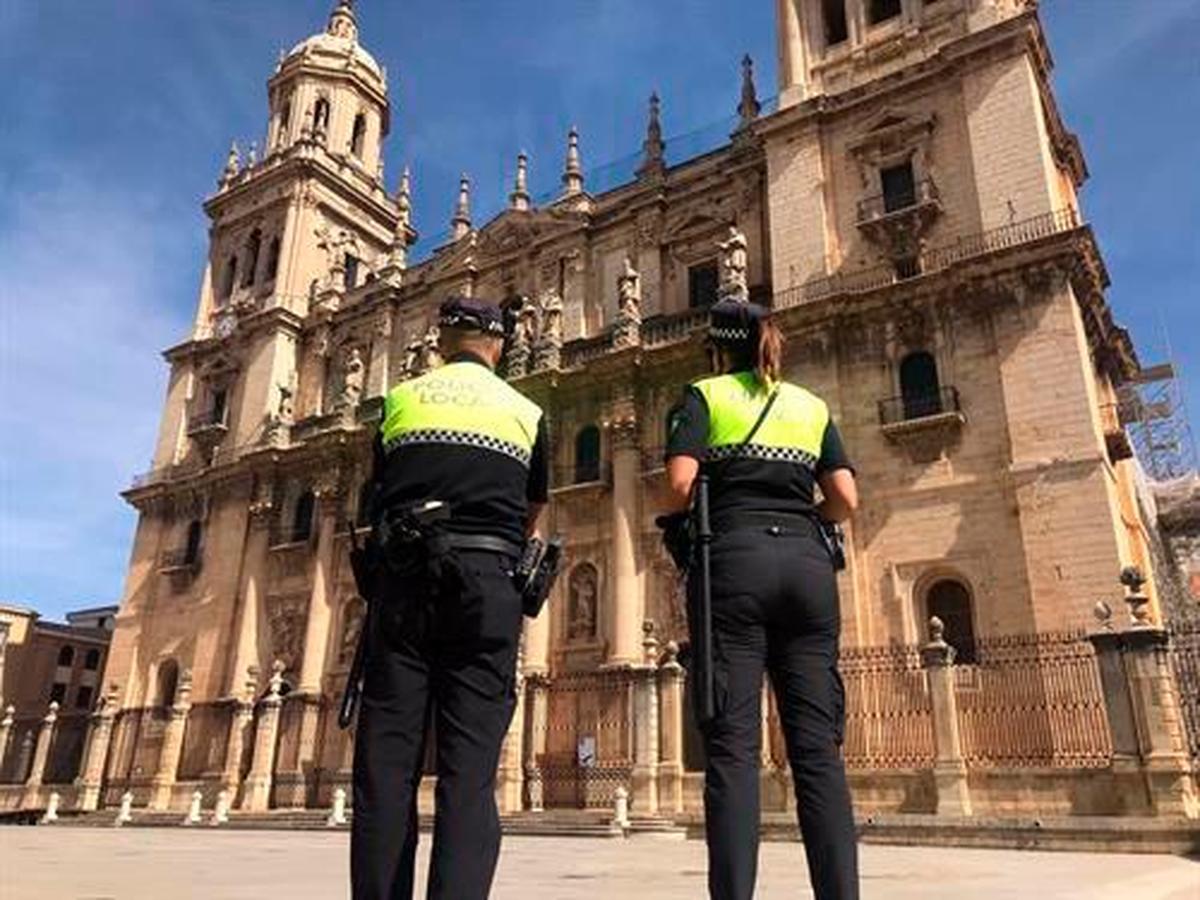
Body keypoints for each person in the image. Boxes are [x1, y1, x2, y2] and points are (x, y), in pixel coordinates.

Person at [352, 296, 549, 900]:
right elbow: (534, 514)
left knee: (386, 772)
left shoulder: (401, 403)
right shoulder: (526, 411)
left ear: (441, 342)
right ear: (499, 344)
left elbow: (376, 498)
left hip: (405, 584)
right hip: (489, 584)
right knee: (469, 779)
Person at [663, 299, 860, 900]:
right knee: (818, 754)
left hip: (735, 564)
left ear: (718, 349)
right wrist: (804, 518)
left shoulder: (705, 395)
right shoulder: (809, 405)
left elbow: (678, 486)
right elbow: (846, 499)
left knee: (733, 752)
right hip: (807, 567)